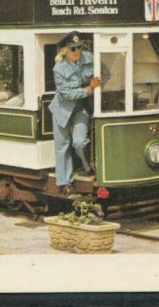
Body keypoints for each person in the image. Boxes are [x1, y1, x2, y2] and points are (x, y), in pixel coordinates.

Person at [48, 32, 102, 195]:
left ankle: (87, 168)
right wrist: (89, 89)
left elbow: (102, 73)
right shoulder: (59, 68)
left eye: (79, 47)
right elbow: (66, 93)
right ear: (65, 51)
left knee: (79, 142)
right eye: (73, 49)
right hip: (62, 110)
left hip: (80, 109)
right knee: (62, 147)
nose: (77, 51)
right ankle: (65, 184)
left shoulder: (89, 58)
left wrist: (96, 83)